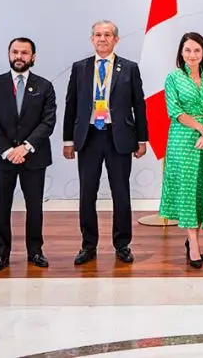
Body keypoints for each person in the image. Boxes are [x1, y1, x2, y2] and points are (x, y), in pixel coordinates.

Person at [63, 20, 148, 265]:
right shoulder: (80, 68)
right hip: (88, 136)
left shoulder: (129, 68)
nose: (102, 38)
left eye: (108, 35)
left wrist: (142, 139)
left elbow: (139, 105)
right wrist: (68, 140)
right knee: (87, 193)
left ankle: (122, 245)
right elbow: (71, 105)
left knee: (120, 192)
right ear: (92, 39)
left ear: (116, 40)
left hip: (118, 137)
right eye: (98, 35)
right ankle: (88, 245)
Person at [0, 37, 56, 272]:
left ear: (33, 57)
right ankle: (1, 254)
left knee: (35, 207)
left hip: (34, 157)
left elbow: (48, 121)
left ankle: (35, 251)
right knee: (1, 207)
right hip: (2, 157)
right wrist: (8, 150)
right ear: (8, 54)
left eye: (24, 53)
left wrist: (26, 147)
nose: (19, 57)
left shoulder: (45, 86)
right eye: (15, 52)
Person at [159, 32, 203, 269]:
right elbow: (174, 110)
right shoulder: (173, 77)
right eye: (188, 50)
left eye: (197, 51)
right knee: (189, 188)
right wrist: (201, 129)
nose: (192, 55)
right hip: (183, 139)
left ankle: (194, 242)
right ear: (181, 52)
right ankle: (194, 245)